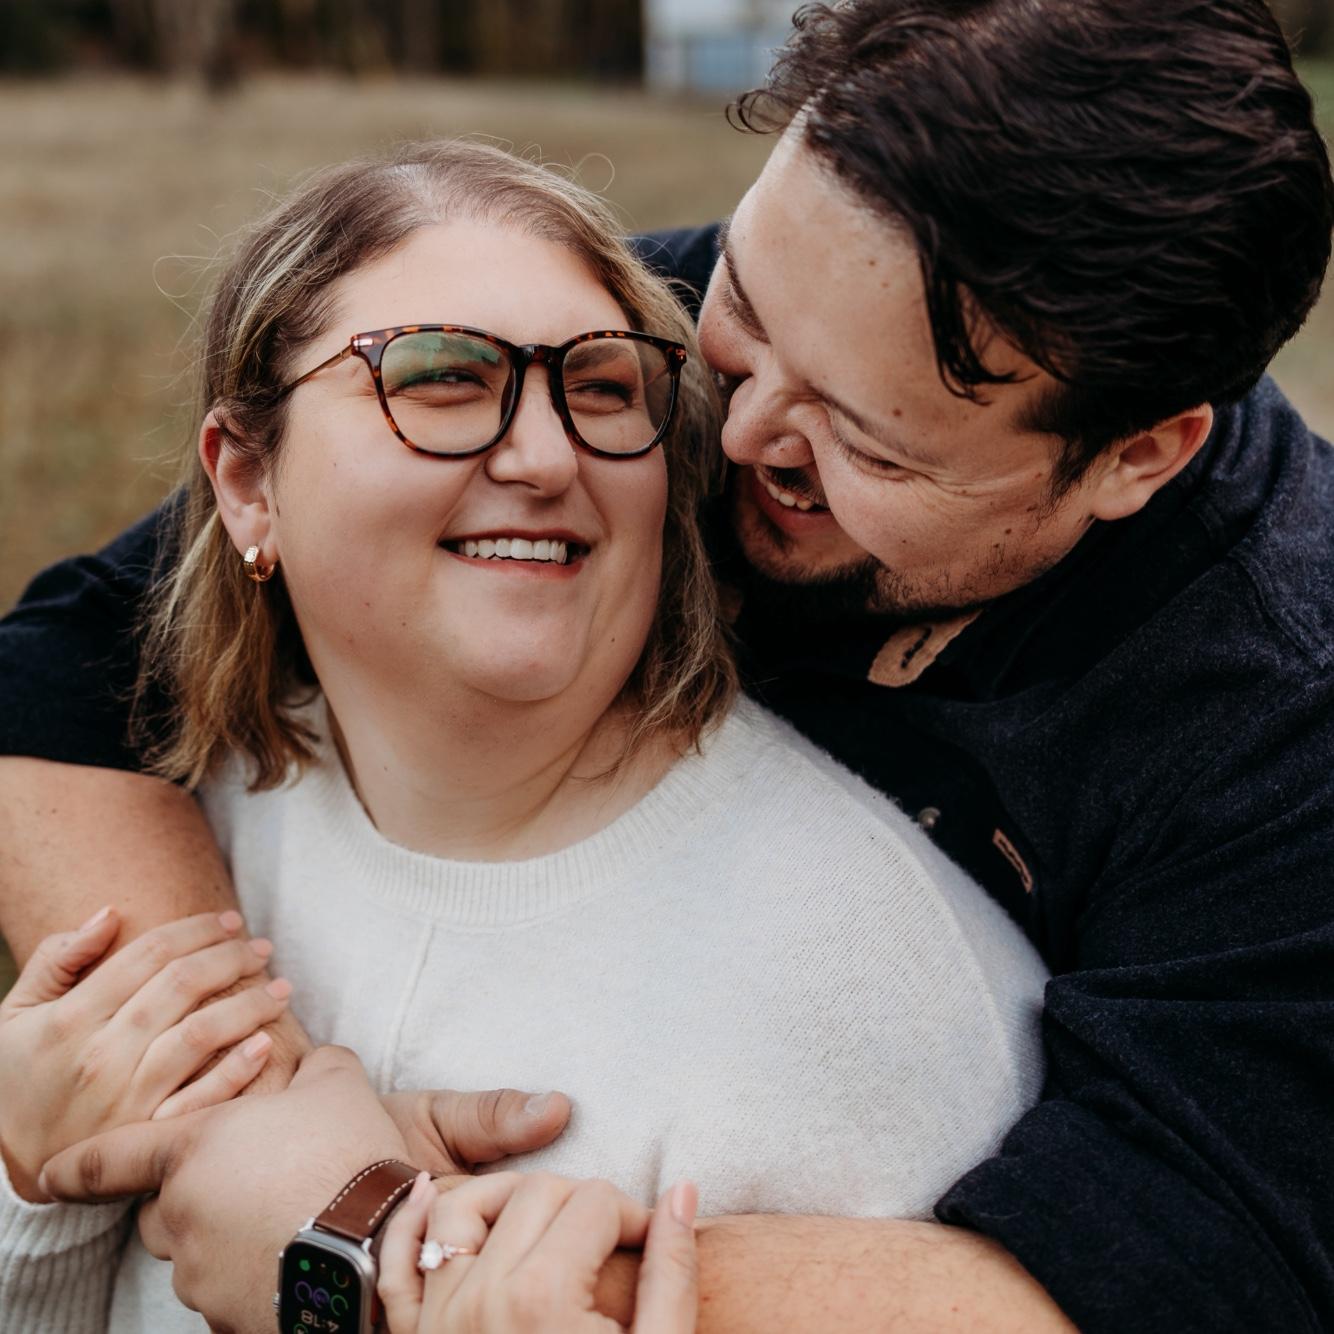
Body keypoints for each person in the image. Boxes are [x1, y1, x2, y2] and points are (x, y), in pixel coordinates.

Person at [1, 0, 1331, 1330]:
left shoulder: (1284, 723)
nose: (731, 432)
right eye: (741, 307)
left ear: (1136, 455)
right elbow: (70, 660)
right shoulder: (680, 345)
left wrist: (402, 1258)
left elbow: (1188, 1267)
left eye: (864, 444)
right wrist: (246, 1092)